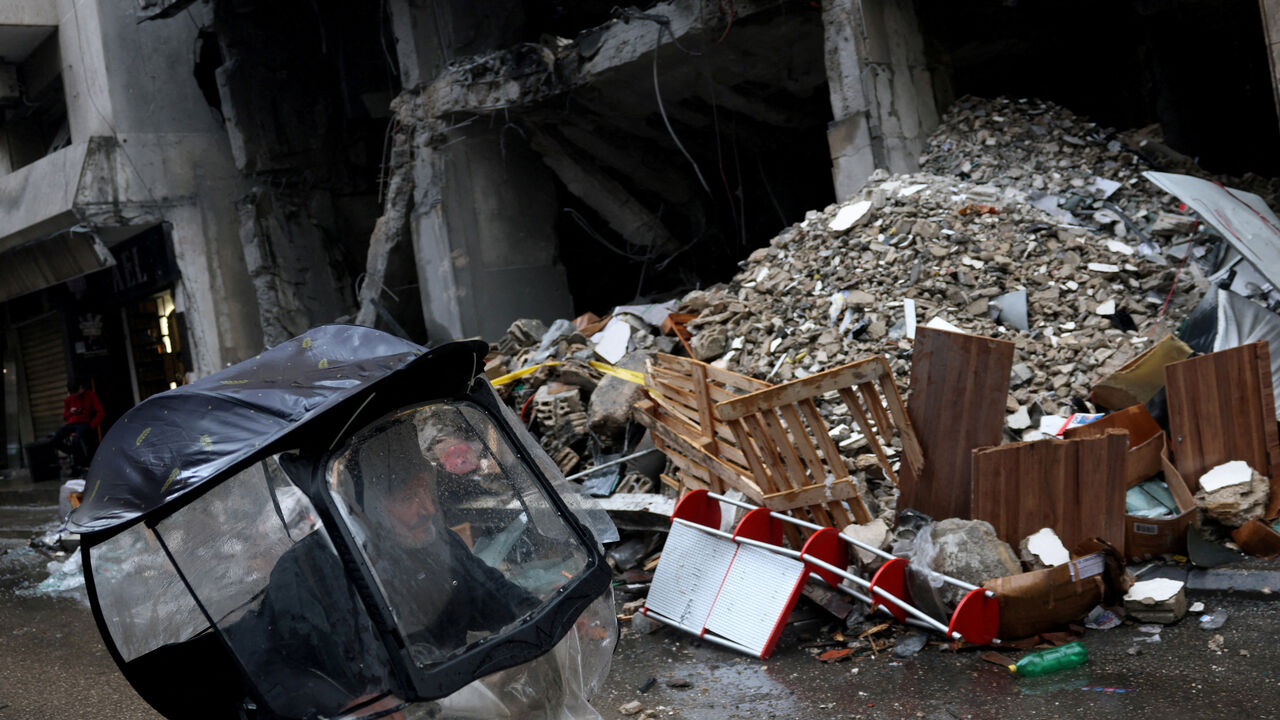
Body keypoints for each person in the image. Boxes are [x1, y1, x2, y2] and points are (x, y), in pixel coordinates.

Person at [51, 378, 104, 474]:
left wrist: (92, 425)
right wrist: (71, 412)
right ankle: (73, 452)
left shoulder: (90, 395)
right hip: (72, 423)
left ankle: (83, 465)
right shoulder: (69, 399)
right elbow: (65, 416)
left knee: (77, 439)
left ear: (80, 388)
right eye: (72, 393)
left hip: (85, 423)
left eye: (76, 392)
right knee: (55, 438)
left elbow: (100, 412)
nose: (75, 395)